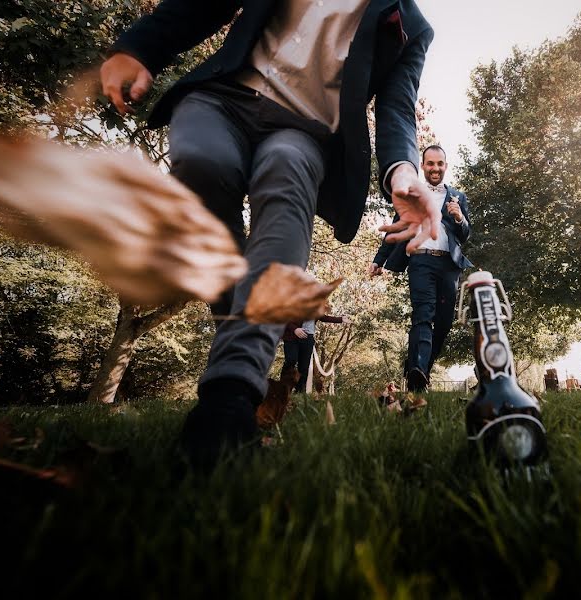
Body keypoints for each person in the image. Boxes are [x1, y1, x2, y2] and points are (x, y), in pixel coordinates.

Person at [100, 0, 438, 467]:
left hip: (304, 131)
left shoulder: (412, 28)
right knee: (203, 164)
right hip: (223, 100)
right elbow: (201, 8)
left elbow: (397, 110)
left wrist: (403, 172)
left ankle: (231, 394)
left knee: (286, 179)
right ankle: (241, 310)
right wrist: (138, 48)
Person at [369, 145, 472, 392]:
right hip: (420, 262)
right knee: (423, 316)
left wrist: (459, 218)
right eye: (430, 163)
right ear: (423, 166)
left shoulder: (458, 196)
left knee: (444, 323)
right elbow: (396, 227)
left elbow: (465, 234)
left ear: (445, 166)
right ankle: (418, 373)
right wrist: (378, 260)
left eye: (440, 164)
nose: (435, 168)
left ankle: (419, 368)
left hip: (448, 265)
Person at [282, 315, 349, 393]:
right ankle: (283, 390)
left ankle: (300, 392)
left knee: (304, 367)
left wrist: (341, 319)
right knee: (291, 360)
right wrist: (295, 329)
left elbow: (323, 317)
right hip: (292, 337)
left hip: (308, 338)